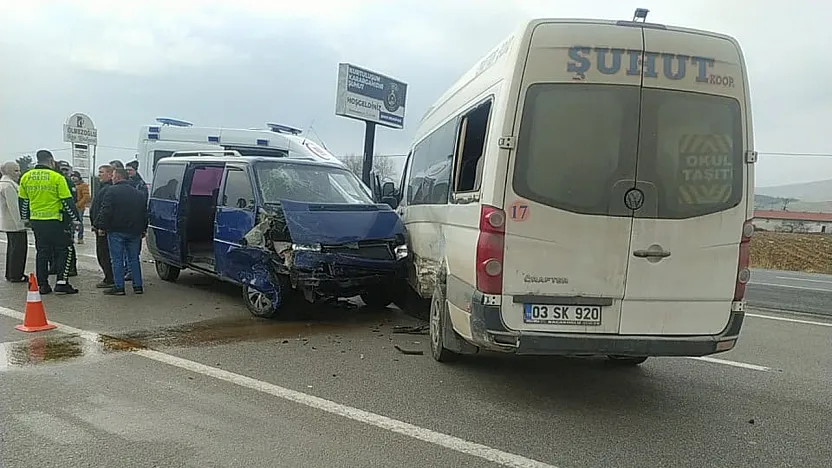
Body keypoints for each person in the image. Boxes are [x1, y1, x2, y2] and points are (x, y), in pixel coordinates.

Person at [18, 150, 80, 294]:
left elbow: (23, 201)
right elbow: (66, 201)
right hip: (56, 221)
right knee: (64, 250)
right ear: (51, 161)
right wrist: (75, 219)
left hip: (37, 221)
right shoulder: (56, 177)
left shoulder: (26, 177)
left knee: (42, 252)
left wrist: (25, 218)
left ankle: (43, 285)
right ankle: (61, 283)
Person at [95, 168, 147, 295]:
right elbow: (144, 213)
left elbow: (106, 210)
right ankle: (138, 286)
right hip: (134, 232)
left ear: (117, 177)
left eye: (113, 176)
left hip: (116, 230)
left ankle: (119, 287)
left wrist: (101, 226)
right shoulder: (138, 193)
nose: (112, 178)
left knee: (117, 259)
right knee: (133, 259)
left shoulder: (111, 191)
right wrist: (143, 229)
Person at [0, 161, 27, 283]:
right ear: (8, 171)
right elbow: (14, 207)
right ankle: (16, 274)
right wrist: (21, 223)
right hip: (14, 223)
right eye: (16, 170)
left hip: (9, 222)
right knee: (18, 250)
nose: (19, 173)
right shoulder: (8, 186)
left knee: (12, 249)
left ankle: (11, 273)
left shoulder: (5, 184)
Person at [89, 164, 115, 288]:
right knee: (102, 253)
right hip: (99, 226)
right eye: (99, 172)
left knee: (104, 253)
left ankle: (110, 278)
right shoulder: (103, 187)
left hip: (103, 228)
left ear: (110, 174)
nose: (99, 174)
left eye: (102, 172)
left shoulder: (108, 189)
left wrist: (100, 225)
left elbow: (104, 209)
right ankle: (109, 277)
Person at [72, 171, 90, 244]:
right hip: (72, 207)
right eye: (72, 176)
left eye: (75, 176)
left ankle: (80, 237)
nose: (73, 177)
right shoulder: (71, 185)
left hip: (79, 207)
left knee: (79, 222)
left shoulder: (83, 185)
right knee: (71, 223)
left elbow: (86, 197)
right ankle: (71, 237)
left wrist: (79, 204)